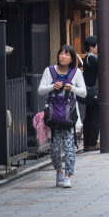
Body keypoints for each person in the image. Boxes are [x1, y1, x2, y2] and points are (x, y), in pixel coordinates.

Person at [38, 45, 87, 188]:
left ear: (72, 58)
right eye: (61, 53)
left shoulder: (76, 72)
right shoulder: (50, 70)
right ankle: (59, 171)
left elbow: (83, 93)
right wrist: (52, 86)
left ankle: (67, 176)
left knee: (70, 147)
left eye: (67, 54)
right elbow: (41, 90)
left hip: (69, 117)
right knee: (54, 148)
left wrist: (72, 88)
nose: (63, 56)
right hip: (53, 117)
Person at [81, 36, 100, 151]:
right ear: (92, 47)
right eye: (97, 45)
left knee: (89, 117)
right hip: (93, 92)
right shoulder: (92, 58)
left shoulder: (88, 58)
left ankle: (87, 143)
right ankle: (92, 143)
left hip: (89, 92)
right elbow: (102, 67)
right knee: (95, 118)